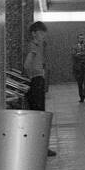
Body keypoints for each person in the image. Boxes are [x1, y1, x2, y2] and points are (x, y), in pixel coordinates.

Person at [23, 21, 56, 157]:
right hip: (36, 81)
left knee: (37, 114)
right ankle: (40, 148)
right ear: (34, 34)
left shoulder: (39, 46)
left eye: (44, 33)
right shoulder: (34, 46)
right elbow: (27, 64)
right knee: (39, 115)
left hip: (37, 81)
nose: (43, 36)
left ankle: (37, 146)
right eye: (41, 33)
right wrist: (32, 77)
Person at [70, 33, 85, 103]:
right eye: (80, 38)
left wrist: (79, 53)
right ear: (78, 39)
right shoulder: (74, 46)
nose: (81, 39)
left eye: (82, 38)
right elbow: (74, 55)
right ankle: (82, 97)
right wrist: (82, 53)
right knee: (80, 84)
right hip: (78, 69)